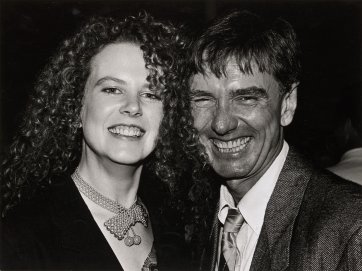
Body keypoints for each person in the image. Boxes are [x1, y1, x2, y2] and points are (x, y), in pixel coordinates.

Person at [0, 12, 191, 270]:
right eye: (112, 89)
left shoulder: (185, 233)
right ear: (76, 107)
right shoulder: (20, 237)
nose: (133, 107)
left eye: (151, 93)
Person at [186, 10, 362, 271]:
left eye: (246, 98)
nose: (221, 124)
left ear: (287, 104)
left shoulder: (351, 227)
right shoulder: (192, 221)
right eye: (203, 99)